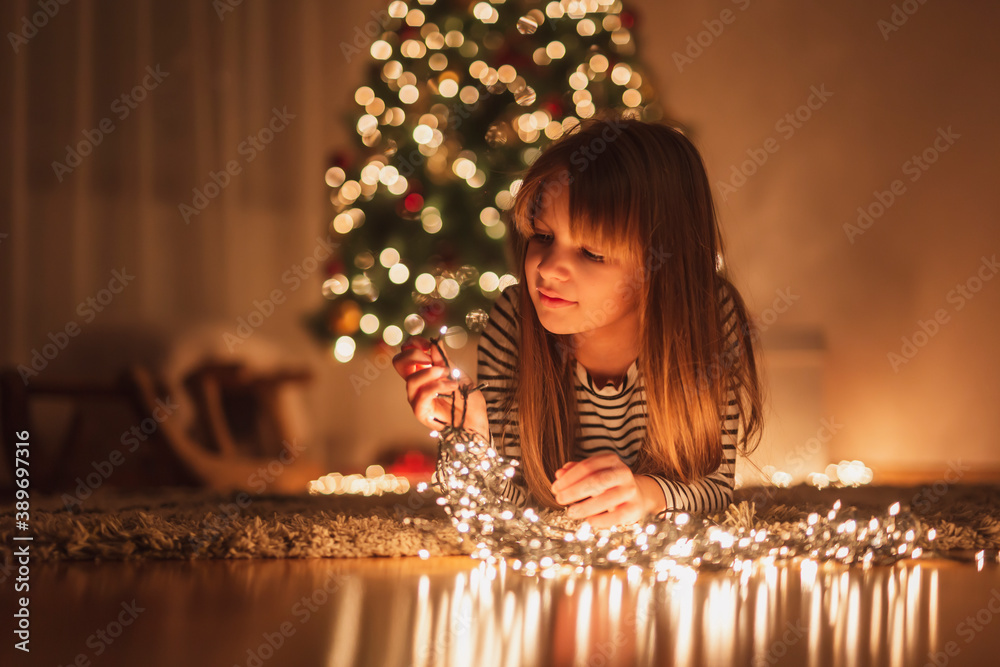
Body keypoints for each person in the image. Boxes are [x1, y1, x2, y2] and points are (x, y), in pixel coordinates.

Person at [392, 113, 764, 529]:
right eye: (543, 236)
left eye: (591, 253)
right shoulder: (514, 322)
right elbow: (511, 502)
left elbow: (714, 488)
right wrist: (474, 434)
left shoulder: (708, 318)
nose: (548, 269)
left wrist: (646, 494)